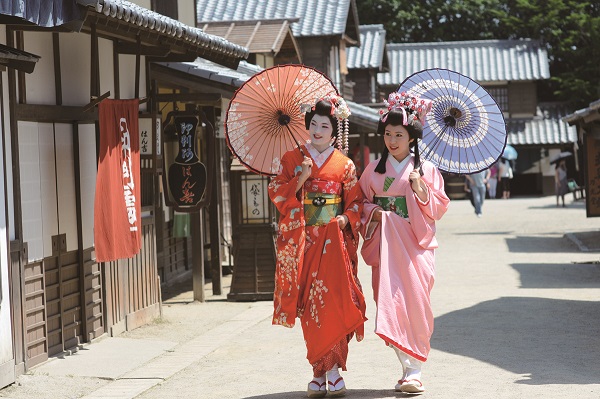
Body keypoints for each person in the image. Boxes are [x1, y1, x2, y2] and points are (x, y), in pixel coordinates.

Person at [268, 95, 366, 398]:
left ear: (335, 133)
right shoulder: (292, 159)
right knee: (310, 305)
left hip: (335, 241)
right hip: (305, 240)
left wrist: (344, 220)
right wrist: (301, 179)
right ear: (307, 127)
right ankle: (317, 371)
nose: (318, 130)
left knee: (336, 301)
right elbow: (277, 193)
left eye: (325, 125)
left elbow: (357, 203)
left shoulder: (344, 165)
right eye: (314, 124)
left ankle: (334, 371)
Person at [358, 91, 450, 394]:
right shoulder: (373, 170)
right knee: (390, 303)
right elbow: (359, 202)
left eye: (399, 134)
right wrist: (377, 214)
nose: (392, 140)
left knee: (415, 304)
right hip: (385, 246)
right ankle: (407, 367)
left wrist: (420, 189)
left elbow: (438, 207)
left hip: (414, 246)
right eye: (388, 134)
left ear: (411, 137)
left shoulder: (426, 170)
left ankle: (414, 371)